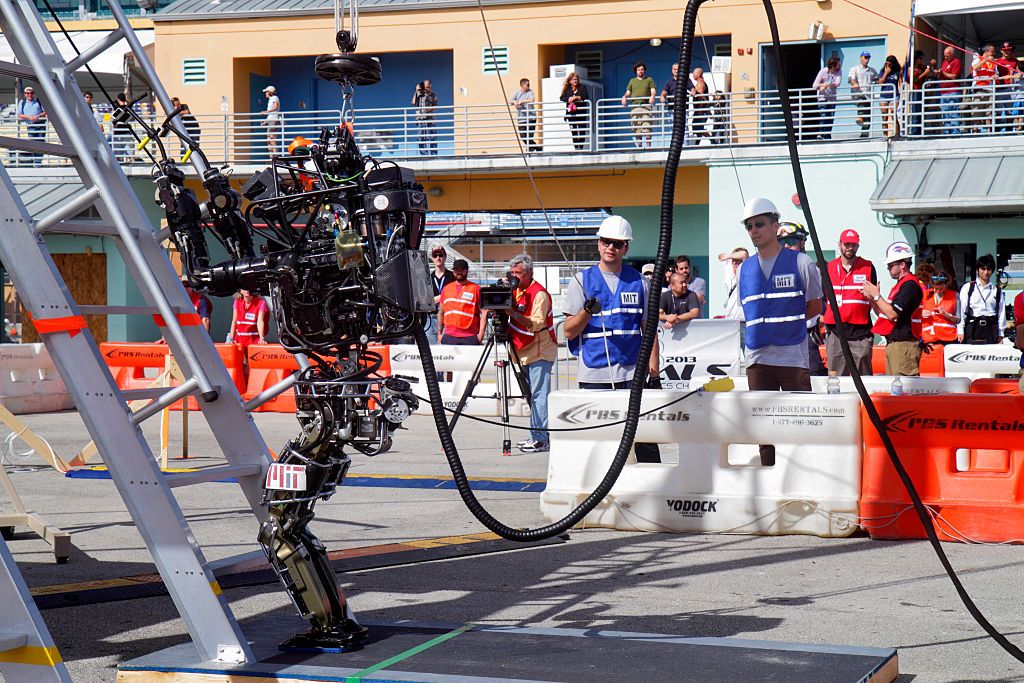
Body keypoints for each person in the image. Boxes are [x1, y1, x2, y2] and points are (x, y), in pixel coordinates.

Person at [563, 215, 660, 463]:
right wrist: (586, 311)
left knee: (645, 436)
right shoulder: (581, 282)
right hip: (594, 374)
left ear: (626, 247)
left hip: (631, 373)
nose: (611, 248)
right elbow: (568, 331)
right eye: (606, 241)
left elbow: (648, 328)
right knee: (598, 441)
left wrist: (654, 370)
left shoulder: (640, 281)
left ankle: (651, 488)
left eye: (617, 243)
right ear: (598, 243)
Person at [737, 198, 823, 465]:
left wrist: (788, 325)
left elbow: (815, 305)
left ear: (776, 226)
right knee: (764, 430)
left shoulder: (801, 263)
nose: (754, 230)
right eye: (749, 226)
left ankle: (804, 478)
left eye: (759, 224)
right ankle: (769, 478)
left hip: (792, 358)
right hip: (758, 361)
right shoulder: (744, 269)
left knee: (799, 427)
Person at [507, 254, 557, 453]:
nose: (514, 277)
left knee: (539, 396)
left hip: (539, 350)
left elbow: (537, 323)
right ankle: (536, 434)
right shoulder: (517, 291)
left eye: (518, 273)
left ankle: (541, 438)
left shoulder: (539, 294)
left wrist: (514, 314)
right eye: (512, 273)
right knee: (532, 395)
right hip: (522, 350)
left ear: (528, 274)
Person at [861, 242, 923, 376]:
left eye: (890, 265)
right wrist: (872, 300)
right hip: (897, 345)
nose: (888, 268)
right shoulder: (901, 285)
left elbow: (892, 314)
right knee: (895, 390)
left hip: (904, 345)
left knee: (903, 391)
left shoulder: (910, 286)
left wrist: (877, 296)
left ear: (902, 264)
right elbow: (884, 314)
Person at [821, 229, 877, 376]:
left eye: (854, 245)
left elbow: (874, 297)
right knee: (836, 382)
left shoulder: (868, 267)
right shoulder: (829, 267)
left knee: (864, 381)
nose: (850, 248)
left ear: (858, 246)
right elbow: (822, 298)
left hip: (861, 334)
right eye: (847, 244)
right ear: (839, 244)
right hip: (835, 335)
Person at [777, 221, 826, 376]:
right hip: (777, 339)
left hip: (803, 337)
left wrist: (792, 322)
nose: (785, 246)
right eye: (781, 242)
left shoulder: (809, 267)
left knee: (813, 382)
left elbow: (815, 306)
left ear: (802, 242)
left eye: (790, 242)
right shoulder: (770, 269)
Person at [957, 253, 1006, 344]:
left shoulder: (996, 290)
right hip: (973, 327)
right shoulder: (968, 287)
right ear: (977, 270)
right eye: (983, 269)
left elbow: (1001, 312)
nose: (986, 272)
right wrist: (960, 330)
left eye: (989, 269)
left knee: (991, 355)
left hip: (991, 328)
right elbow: (961, 310)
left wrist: (1001, 333)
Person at [438, 259, 485, 345]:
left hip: (470, 336)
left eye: (462, 270)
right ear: (453, 271)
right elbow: (441, 312)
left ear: (467, 271)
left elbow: (484, 313)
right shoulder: (446, 289)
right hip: (449, 336)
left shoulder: (476, 289)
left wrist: (480, 336)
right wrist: (439, 334)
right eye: (456, 270)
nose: (459, 272)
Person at [621, 62, 656, 149]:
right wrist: (624, 97)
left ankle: (648, 147)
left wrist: (652, 96)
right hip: (635, 107)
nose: (641, 71)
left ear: (644, 71)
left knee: (647, 125)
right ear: (636, 71)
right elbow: (628, 92)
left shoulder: (649, 79)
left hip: (645, 106)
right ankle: (639, 147)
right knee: (636, 127)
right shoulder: (632, 81)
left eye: (642, 69)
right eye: (639, 70)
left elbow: (653, 90)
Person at [921, 272, 959, 345]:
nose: (938, 291)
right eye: (936, 288)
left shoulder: (954, 296)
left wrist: (947, 315)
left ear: (946, 285)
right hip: (930, 336)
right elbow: (915, 313)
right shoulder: (925, 294)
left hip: (948, 336)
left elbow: (959, 320)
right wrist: (922, 313)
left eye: (941, 288)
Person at [427, 246, 455, 345]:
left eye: (440, 255)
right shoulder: (428, 278)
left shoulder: (452, 276)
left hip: (447, 318)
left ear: (445, 257)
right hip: (430, 318)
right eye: (435, 256)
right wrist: (444, 296)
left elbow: (454, 297)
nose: (438, 258)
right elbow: (426, 301)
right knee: (429, 350)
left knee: (445, 350)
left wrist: (436, 299)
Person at [968, 46, 997, 134]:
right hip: (978, 89)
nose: (993, 54)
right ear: (987, 51)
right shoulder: (977, 59)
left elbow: (996, 74)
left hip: (989, 90)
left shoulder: (994, 63)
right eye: (992, 52)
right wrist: (985, 60)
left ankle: (988, 133)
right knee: (976, 112)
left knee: (989, 113)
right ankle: (975, 132)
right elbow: (975, 68)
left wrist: (995, 76)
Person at [812, 56, 842, 140]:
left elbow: (837, 83)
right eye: (838, 63)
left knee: (830, 117)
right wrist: (822, 85)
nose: (839, 65)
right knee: (823, 114)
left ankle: (828, 134)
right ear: (833, 65)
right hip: (822, 97)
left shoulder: (839, 72)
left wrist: (826, 85)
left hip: (832, 98)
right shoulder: (823, 71)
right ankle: (821, 133)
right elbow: (814, 85)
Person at [849, 51, 878, 138]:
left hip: (868, 95)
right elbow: (851, 79)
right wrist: (854, 83)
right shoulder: (854, 69)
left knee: (868, 116)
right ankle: (860, 117)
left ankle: (864, 134)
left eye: (868, 57)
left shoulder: (872, 70)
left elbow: (877, 80)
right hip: (859, 93)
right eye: (865, 57)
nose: (867, 59)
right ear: (861, 57)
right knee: (861, 103)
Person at [994, 42, 1020, 133]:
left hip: (1010, 88)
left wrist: (1014, 75)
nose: (1007, 51)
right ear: (1001, 51)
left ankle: (1009, 131)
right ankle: (996, 131)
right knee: (998, 111)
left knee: (1009, 111)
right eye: (1005, 50)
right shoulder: (996, 61)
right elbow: (992, 73)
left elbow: (1020, 73)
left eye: (1009, 49)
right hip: (999, 89)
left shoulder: (1015, 61)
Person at [560, 72, 590, 151]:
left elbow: (585, 96)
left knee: (582, 130)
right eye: (573, 79)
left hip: (581, 113)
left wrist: (576, 97)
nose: (575, 81)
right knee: (574, 131)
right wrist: (569, 99)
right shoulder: (567, 89)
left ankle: (581, 147)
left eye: (576, 79)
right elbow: (562, 98)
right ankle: (576, 147)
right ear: (570, 81)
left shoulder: (582, 87)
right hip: (571, 113)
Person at [717, 247, 748, 322]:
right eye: (734, 262)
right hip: (730, 318)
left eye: (739, 261)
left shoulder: (746, 272)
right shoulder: (730, 275)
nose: (736, 264)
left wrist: (727, 256)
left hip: (744, 318)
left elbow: (744, 254)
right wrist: (728, 257)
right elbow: (721, 257)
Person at [17, 86, 46, 165]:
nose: (29, 94)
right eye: (28, 93)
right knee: (33, 143)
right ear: (25, 94)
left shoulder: (38, 101)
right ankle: (36, 162)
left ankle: (38, 162)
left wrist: (38, 116)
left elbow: (45, 111)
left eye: (31, 93)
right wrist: (29, 117)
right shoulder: (22, 102)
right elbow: (19, 114)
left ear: (34, 94)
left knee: (41, 142)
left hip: (40, 124)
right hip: (31, 125)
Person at [907, 51, 933, 137]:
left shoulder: (921, 67)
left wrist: (931, 65)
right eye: (919, 58)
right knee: (916, 113)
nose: (921, 60)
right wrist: (924, 73)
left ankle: (921, 132)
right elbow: (913, 80)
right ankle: (915, 133)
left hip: (922, 92)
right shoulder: (910, 68)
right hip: (915, 91)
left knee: (922, 112)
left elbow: (931, 71)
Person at [939, 46, 963, 136]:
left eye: (947, 56)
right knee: (945, 113)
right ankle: (946, 133)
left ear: (952, 54)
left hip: (953, 91)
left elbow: (954, 76)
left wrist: (943, 73)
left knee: (953, 113)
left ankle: (954, 133)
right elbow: (943, 76)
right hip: (943, 91)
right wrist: (939, 73)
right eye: (944, 56)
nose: (945, 58)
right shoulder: (944, 63)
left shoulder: (956, 62)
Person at [510, 78, 538, 152]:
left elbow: (532, 100)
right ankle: (537, 148)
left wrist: (521, 101)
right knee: (523, 137)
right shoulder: (517, 93)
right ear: (522, 85)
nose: (529, 86)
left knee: (529, 137)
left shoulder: (530, 91)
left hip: (531, 118)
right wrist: (514, 102)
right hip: (521, 118)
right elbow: (510, 100)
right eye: (527, 84)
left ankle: (530, 151)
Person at [412, 80, 439, 156]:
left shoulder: (433, 94)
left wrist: (427, 110)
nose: (428, 88)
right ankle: (424, 154)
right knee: (421, 137)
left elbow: (435, 106)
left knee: (432, 137)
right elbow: (413, 103)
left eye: (429, 87)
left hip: (430, 119)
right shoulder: (419, 94)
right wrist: (416, 91)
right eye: (426, 87)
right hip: (421, 119)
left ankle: (433, 155)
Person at [877, 55, 901, 138]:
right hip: (884, 96)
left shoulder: (897, 72)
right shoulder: (882, 71)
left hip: (894, 96)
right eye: (886, 64)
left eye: (889, 64)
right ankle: (885, 135)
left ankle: (897, 134)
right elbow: (880, 83)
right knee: (884, 117)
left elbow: (900, 83)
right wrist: (886, 73)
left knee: (894, 115)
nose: (887, 66)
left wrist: (901, 94)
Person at [689, 67, 711, 142]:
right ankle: (697, 144)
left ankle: (713, 140)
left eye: (694, 73)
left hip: (701, 110)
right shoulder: (698, 83)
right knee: (697, 127)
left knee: (698, 127)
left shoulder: (701, 83)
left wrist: (707, 108)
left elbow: (701, 95)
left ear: (698, 74)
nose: (692, 75)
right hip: (698, 110)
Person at [262, 86, 282, 157]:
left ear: (270, 92)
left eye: (266, 92)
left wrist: (266, 112)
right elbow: (271, 114)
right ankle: (271, 158)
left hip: (274, 120)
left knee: (272, 138)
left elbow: (275, 107)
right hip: (271, 120)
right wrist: (265, 121)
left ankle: (275, 158)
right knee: (269, 139)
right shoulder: (270, 99)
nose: (265, 93)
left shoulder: (274, 98)